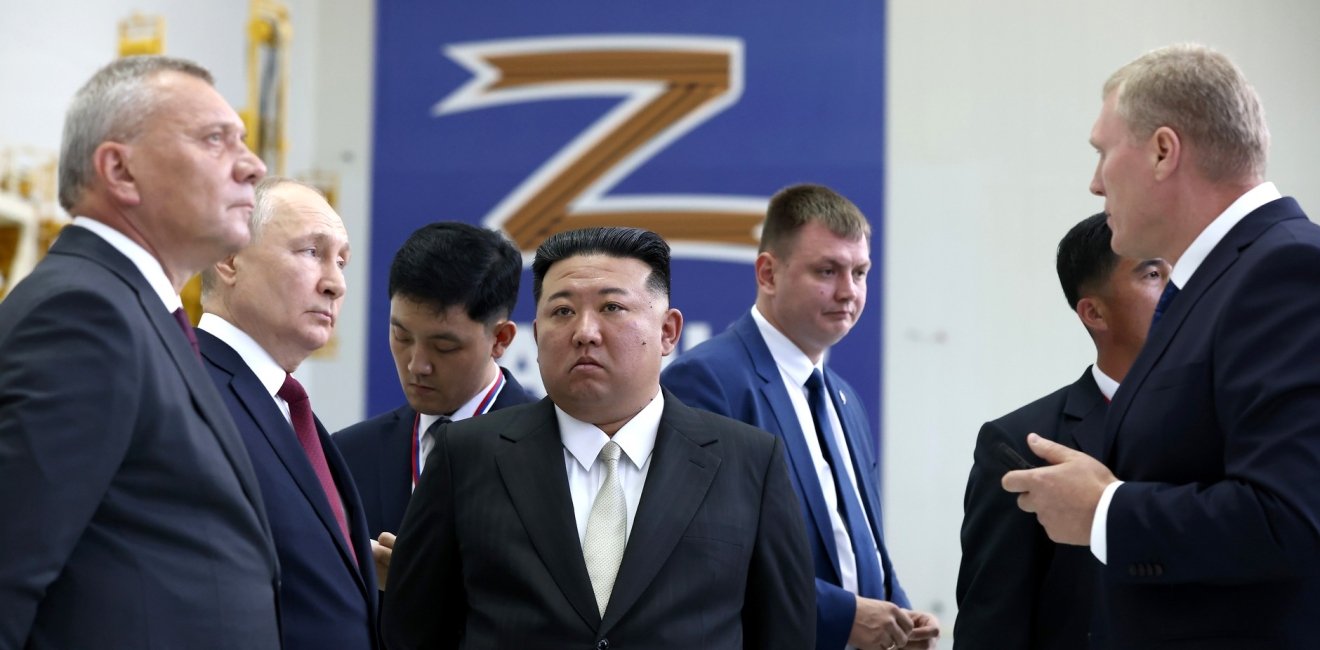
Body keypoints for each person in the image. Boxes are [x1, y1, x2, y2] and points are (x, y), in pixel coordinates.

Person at [1003, 43, 1320, 648]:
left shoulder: (1286, 271)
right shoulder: (1218, 281)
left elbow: (1293, 518)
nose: (1094, 183)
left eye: (1102, 152)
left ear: (1162, 151)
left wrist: (1104, 512)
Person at [382, 226, 814, 649]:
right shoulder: (465, 456)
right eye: (562, 311)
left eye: (612, 307)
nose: (584, 332)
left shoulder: (749, 463)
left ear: (667, 331)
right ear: (536, 333)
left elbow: (784, 633)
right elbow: (413, 631)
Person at [0, 56, 279, 649]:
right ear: (120, 171)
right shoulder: (81, 314)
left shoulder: (134, 311)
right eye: (215, 139)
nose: (253, 166)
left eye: (243, 141)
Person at [662, 183, 940, 650]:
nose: (848, 292)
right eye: (827, 271)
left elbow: (860, 540)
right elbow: (707, 555)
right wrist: (843, 618)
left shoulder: (844, 398)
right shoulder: (708, 380)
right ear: (768, 274)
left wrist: (899, 613)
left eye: (860, 272)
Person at [954, 213, 1168, 649]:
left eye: (1183, 269)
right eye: (1153, 274)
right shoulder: (1020, 445)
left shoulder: (1231, 425)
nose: (1180, 287)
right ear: (1095, 312)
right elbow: (991, 627)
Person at [196, 176, 377, 649]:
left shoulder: (290, 411)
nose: (336, 283)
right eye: (311, 252)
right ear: (229, 257)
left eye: (342, 261)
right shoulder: (185, 392)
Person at [334, 221, 533, 551]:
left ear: (500, 339)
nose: (417, 365)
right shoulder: (349, 455)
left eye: (444, 347)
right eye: (401, 336)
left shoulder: (551, 452)